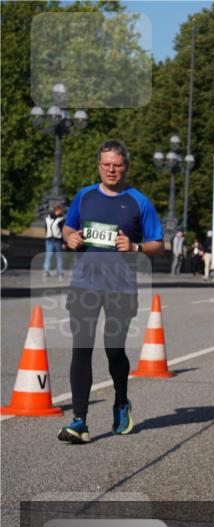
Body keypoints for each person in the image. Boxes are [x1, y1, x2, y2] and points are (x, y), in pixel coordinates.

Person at [57, 140, 164, 443]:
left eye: (117, 165)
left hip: (121, 287)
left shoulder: (138, 201)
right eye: (106, 165)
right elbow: (68, 227)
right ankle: (79, 420)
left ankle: (120, 402)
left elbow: (159, 243)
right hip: (84, 284)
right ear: (99, 166)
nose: (111, 170)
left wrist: (135, 246)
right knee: (81, 348)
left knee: (114, 350)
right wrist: (72, 237)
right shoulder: (85, 196)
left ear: (125, 167)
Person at [43, 205, 66, 280]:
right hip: (49, 239)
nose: (61, 212)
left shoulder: (61, 219)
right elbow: (46, 227)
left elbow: (63, 231)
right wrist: (46, 234)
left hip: (57, 240)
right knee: (48, 255)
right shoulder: (48, 218)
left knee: (59, 256)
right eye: (60, 211)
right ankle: (46, 271)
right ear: (57, 210)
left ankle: (60, 271)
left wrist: (63, 242)